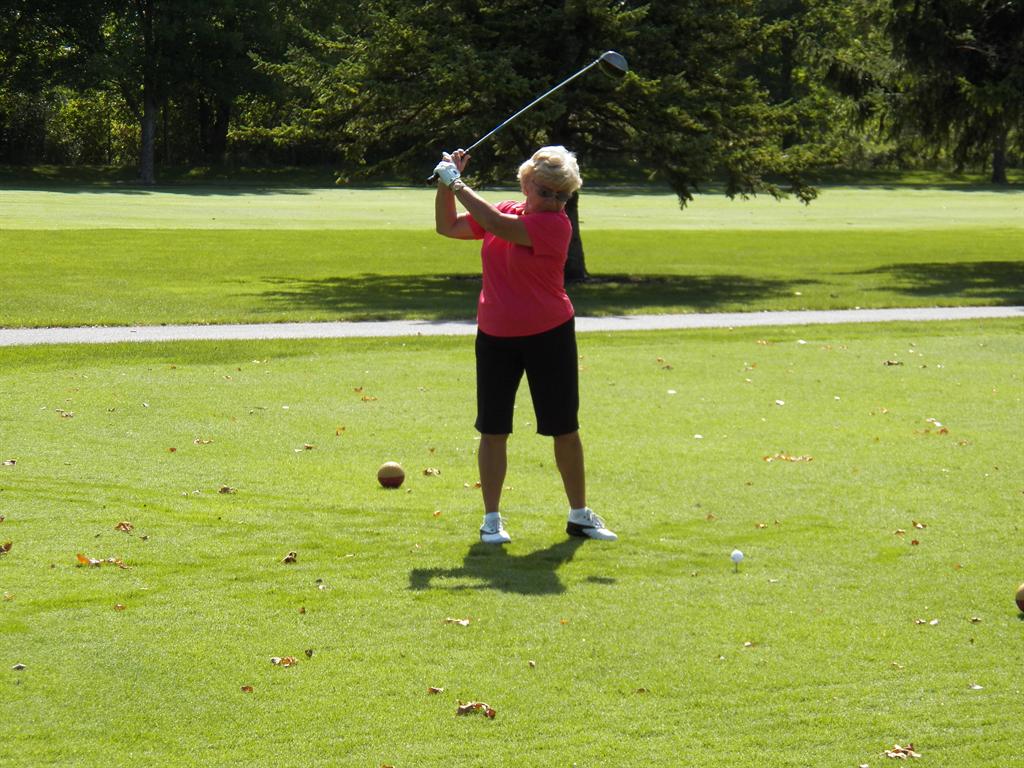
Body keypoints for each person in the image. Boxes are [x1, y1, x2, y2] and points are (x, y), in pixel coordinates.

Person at [433, 145, 617, 545]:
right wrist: (446, 183)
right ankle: (492, 520)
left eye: (563, 196)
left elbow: (496, 225)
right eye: (548, 192)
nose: (555, 202)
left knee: (564, 428)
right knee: (493, 428)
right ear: (527, 183)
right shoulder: (506, 210)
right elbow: (447, 227)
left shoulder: (556, 226)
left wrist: (457, 182)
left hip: (549, 334)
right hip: (496, 336)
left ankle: (579, 515)